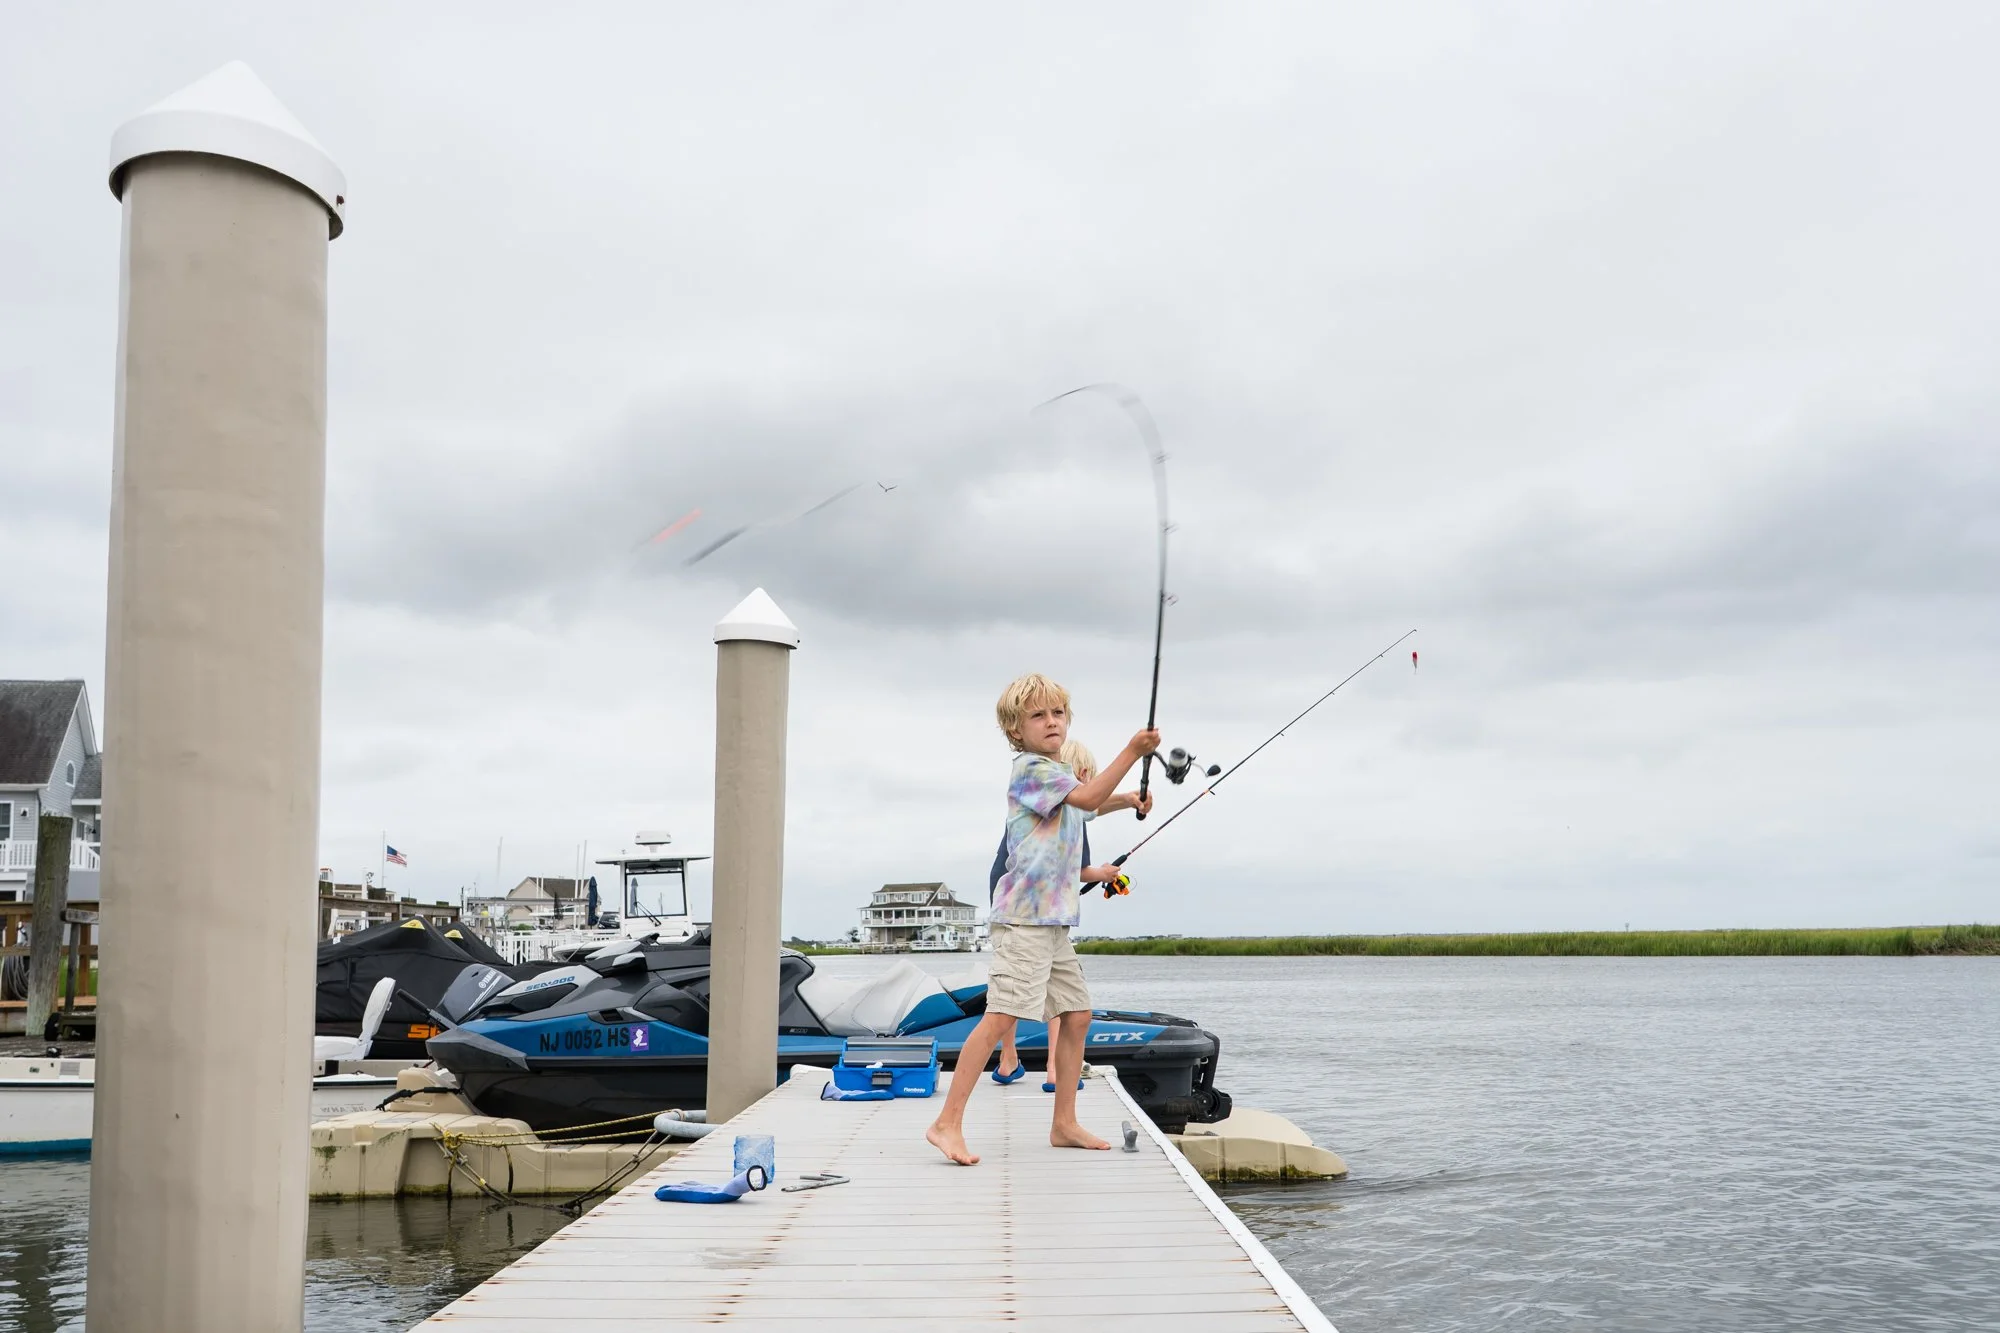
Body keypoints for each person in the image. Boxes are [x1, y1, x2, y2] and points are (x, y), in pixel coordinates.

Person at [927, 672, 1157, 1165]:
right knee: (1000, 1017)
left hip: (1053, 925)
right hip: (1022, 922)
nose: (1051, 722)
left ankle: (1064, 1122)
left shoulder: (1060, 778)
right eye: (1038, 715)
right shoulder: (1032, 770)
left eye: (1058, 713)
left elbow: (1090, 807)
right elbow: (1088, 797)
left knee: (1076, 1016)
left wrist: (1130, 801)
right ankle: (946, 1124)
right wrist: (1133, 752)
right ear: (1017, 730)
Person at [985, 739, 1142, 1084]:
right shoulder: (1056, 793)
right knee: (1026, 1004)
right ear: (1081, 774)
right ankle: (1053, 1070)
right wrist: (1102, 874)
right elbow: (1079, 858)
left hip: (1030, 905)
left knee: (1064, 1005)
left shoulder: (1053, 800)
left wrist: (1128, 799)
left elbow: (1091, 806)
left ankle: (1011, 1060)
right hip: (1025, 911)